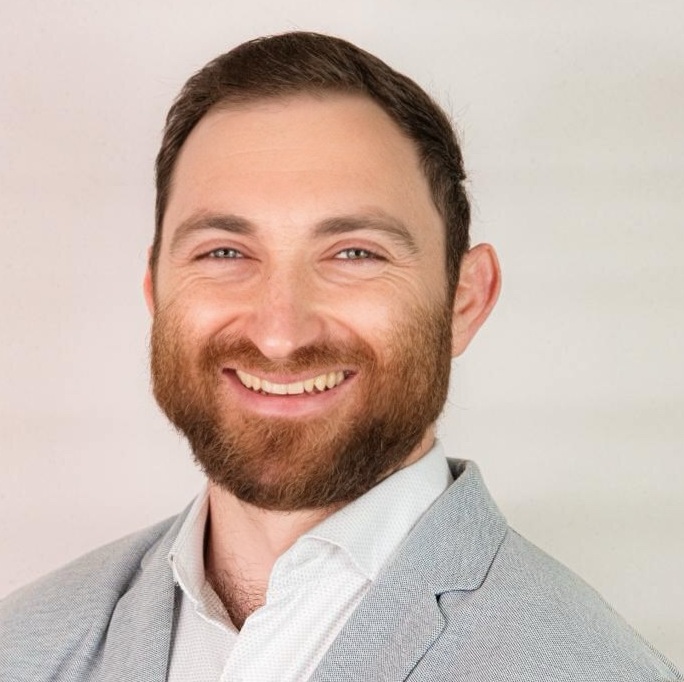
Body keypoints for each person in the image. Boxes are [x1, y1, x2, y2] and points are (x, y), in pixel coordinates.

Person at [0, 31, 680, 682]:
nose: (280, 334)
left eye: (354, 253)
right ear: (157, 290)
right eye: (224, 252)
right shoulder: (21, 647)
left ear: (464, 301)